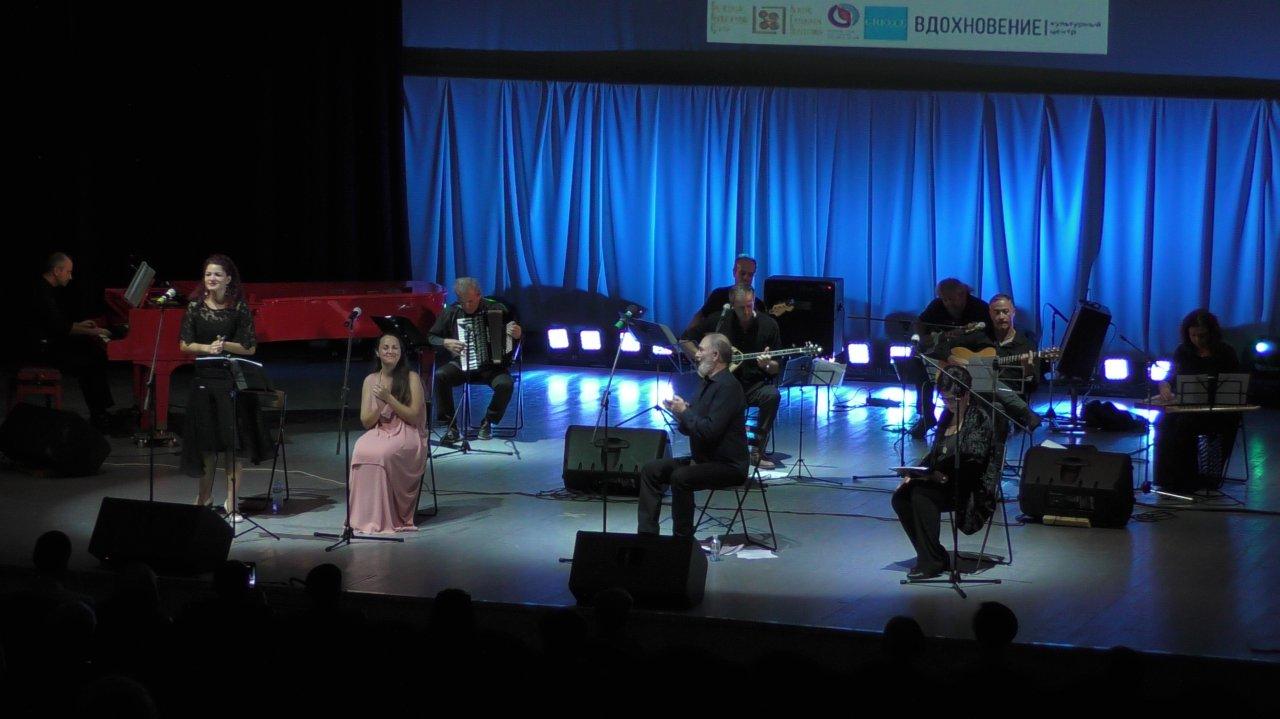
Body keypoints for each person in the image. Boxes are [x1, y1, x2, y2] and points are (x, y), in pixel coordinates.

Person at [178, 254, 271, 521]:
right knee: (206, 447)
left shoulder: (238, 308)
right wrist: (207, 348)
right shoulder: (195, 307)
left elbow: (249, 347)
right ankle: (204, 497)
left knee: (233, 447)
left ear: (228, 279)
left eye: (217, 274)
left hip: (230, 380)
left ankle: (232, 503)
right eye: (208, 274)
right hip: (203, 381)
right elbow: (184, 344)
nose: (212, 278)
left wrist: (225, 345)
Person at [892, 365, 998, 579]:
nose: (949, 404)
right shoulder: (946, 416)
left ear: (966, 394)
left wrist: (941, 475)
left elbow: (974, 461)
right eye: (944, 399)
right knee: (901, 497)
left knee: (921, 495)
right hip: (941, 481)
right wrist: (914, 473)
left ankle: (931, 562)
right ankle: (933, 554)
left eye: (952, 399)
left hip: (968, 486)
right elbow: (935, 454)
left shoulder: (979, 417)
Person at [637, 333, 748, 537]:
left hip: (728, 465)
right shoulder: (707, 383)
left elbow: (709, 432)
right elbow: (691, 428)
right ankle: (647, 537)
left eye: (701, 350)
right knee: (651, 470)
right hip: (704, 459)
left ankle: (682, 540)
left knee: (681, 477)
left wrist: (685, 412)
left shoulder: (729, 387)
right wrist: (679, 413)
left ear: (715, 355)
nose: (697, 355)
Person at [681, 284, 781, 468]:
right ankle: (706, 452)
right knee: (704, 396)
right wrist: (700, 356)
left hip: (753, 386)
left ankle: (757, 450)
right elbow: (685, 339)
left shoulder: (769, 325)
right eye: (742, 307)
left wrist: (767, 364)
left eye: (750, 305)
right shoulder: (719, 321)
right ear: (732, 305)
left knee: (772, 395)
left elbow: (776, 368)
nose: (747, 311)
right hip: (723, 387)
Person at [1152, 309, 1243, 490]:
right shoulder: (1183, 351)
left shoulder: (1225, 352)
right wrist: (1165, 386)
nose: (1197, 340)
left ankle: (1195, 478)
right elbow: (1172, 377)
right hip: (1189, 406)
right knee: (1163, 422)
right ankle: (1170, 480)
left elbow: (1235, 384)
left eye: (1202, 335)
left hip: (1219, 410)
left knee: (1186, 424)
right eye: (1193, 335)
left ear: (1211, 333)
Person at [347, 332, 426, 533]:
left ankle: (384, 516)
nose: (390, 351)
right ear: (377, 352)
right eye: (385, 347)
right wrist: (379, 405)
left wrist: (389, 398)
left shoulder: (411, 377)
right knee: (360, 449)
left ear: (401, 352)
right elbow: (366, 421)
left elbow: (414, 417)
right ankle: (363, 517)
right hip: (380, 429)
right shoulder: (370, 380)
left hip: (407, 432)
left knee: (383, 454)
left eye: (395, 347)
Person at [428, 277, 522, 442]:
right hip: (462, 365)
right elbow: (431, 337)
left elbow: (515, 335)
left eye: (470, 301)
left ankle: (488, 421)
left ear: (479, 295)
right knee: (440, 375)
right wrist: (445, 342)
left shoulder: (497, 309)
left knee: (506, 384)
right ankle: (451, 427)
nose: (466, 306)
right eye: (462, 301)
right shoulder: (451, 312)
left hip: (493, 368)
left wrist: (518, 334)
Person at [27, 252, 114, 429]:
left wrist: (80, 326)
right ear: (56, 271)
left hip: (48, 343)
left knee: (92, 352)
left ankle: (100, 412)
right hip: (41, 350)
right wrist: (94, 331)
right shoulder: (42, 292)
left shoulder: (45, 289)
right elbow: (59, 328)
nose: (70, 276)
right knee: (90, 361)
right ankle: (100, 415)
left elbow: (57, 323)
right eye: (68, 272)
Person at [910, 278, 990, 437]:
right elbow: (919, 323)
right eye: (944, 299)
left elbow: (987, 340)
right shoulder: (937, 305)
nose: (947, 303)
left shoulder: (979, 308)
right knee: (917, 363)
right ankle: (926, 414)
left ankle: (961, 418)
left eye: (951, 299)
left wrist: (959, 341)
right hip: (942, 354)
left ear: (963, 294)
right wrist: (921, 338)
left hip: (967, 357)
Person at [684, 254, 768, 334]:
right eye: (742, 273)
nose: (746, 278)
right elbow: (700, 317)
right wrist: (686, 338)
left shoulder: (759, 305)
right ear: (734, 272)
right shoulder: (718, 295)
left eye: (750, 275)